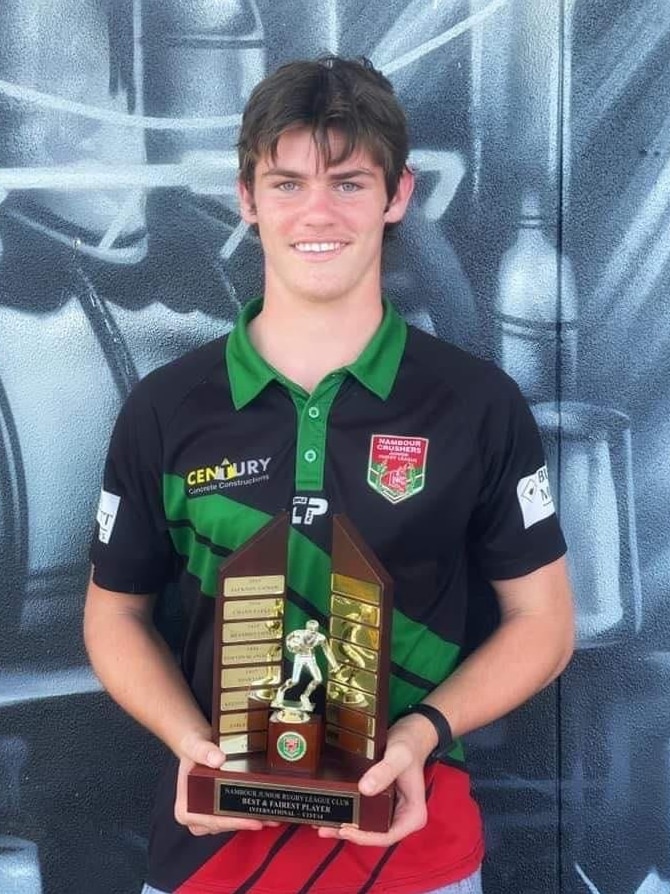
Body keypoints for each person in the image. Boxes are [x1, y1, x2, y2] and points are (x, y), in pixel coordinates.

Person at [84, 56, 574, 894]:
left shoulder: (475, 404)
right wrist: (189, 742)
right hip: (213, 866)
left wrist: (420, 733)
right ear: (247, 197)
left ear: (398, 196)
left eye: (349, 183)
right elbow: (114, 617)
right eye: (286, 183)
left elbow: (544, 622)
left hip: (416, 860)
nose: (317, 212)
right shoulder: (167, 407)